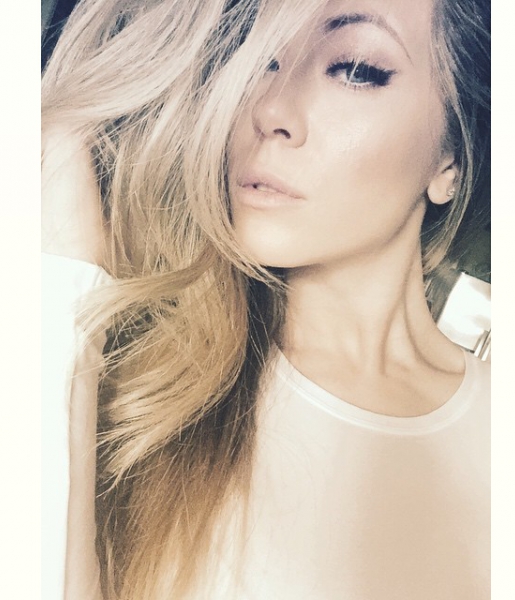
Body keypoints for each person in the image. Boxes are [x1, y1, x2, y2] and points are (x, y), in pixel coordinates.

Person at [41, 0, 491, 598]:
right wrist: (60, 261)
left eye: (355, 69)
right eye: (258, 62)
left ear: (450, 159)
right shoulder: (137, 392)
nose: (269, 108)